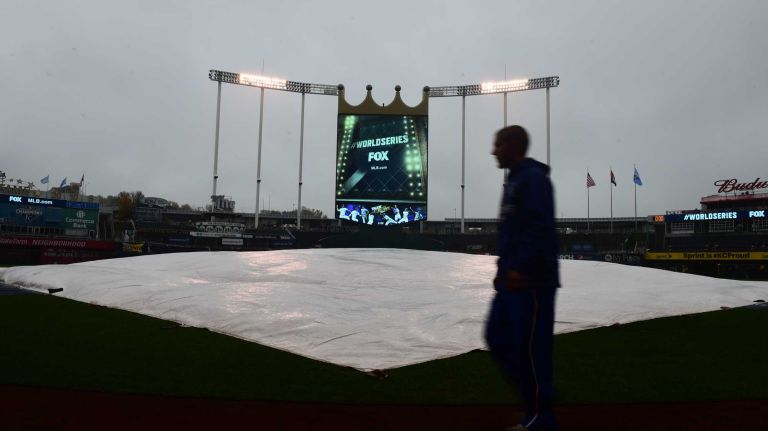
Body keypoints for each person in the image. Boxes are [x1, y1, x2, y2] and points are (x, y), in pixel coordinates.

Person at [484, 125, 560, 431]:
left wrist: (521, 268)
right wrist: (502, 269)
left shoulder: (533, 179)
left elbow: (540, 229)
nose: (493, 150)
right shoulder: (514, 180)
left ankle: (541, 417)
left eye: (498, 144)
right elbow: (513, 232)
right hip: (510, 281)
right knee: (496, 337)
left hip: (532, 283)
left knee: (531, 351)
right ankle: (537, 401)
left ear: (513, 146)